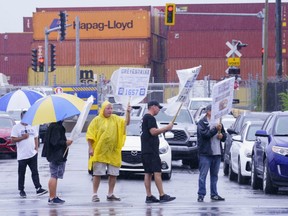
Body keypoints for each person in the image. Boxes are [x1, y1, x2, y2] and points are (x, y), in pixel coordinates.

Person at [86, 100, 131, 202]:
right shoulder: (96, 120)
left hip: (113, 151)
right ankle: (94, 194)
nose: (110, 110)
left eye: (111, 108)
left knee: (113, 174)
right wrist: (90, 147)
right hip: (100, 151)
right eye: (108, 108)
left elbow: (126, 123)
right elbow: (90, 135)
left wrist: (128, 112)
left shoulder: (115, 119)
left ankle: (110, 194)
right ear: (103, 109)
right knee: (97, 173)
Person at [140, 100, 176, 203]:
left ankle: (149, 196)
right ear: (153, 107)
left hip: (145, 149)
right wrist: (166, 128)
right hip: (151, 150)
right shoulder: (150, 118)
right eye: (158, 107)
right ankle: (162, 195)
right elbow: (153, 132)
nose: (159, 110)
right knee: (157, 172)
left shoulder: (144, 118)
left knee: (148, 173)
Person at [11, 110, 48, 198]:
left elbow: (36, 137)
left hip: (32, 153)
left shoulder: (32, 126)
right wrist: (22, 137)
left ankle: (38, 188)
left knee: (35, 172)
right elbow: (13, 139)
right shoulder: (16, 127)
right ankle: (21, 190)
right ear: (22, 117)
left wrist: (36, 147)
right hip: (22, 155)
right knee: (21, 173)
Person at [196, 104, 227, 202]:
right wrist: (215, 129)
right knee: (203, 175)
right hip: (205, 153)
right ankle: (201, 194)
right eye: (213, 111)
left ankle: (214, 194)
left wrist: (222, 136)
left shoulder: (219, 122)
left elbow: (224, 135)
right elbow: (205, 135)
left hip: (217, 153)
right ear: (208, 112)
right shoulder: (202, 122)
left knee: (214, 175)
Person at [42, 120, 72, 205]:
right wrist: (65, 142)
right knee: (54, 175)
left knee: (54, 175)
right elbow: (55, 142)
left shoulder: (54, 126)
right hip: (56, 155)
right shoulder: (56, 127)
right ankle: (52, 197)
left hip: (55, 154)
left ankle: (53, 196)